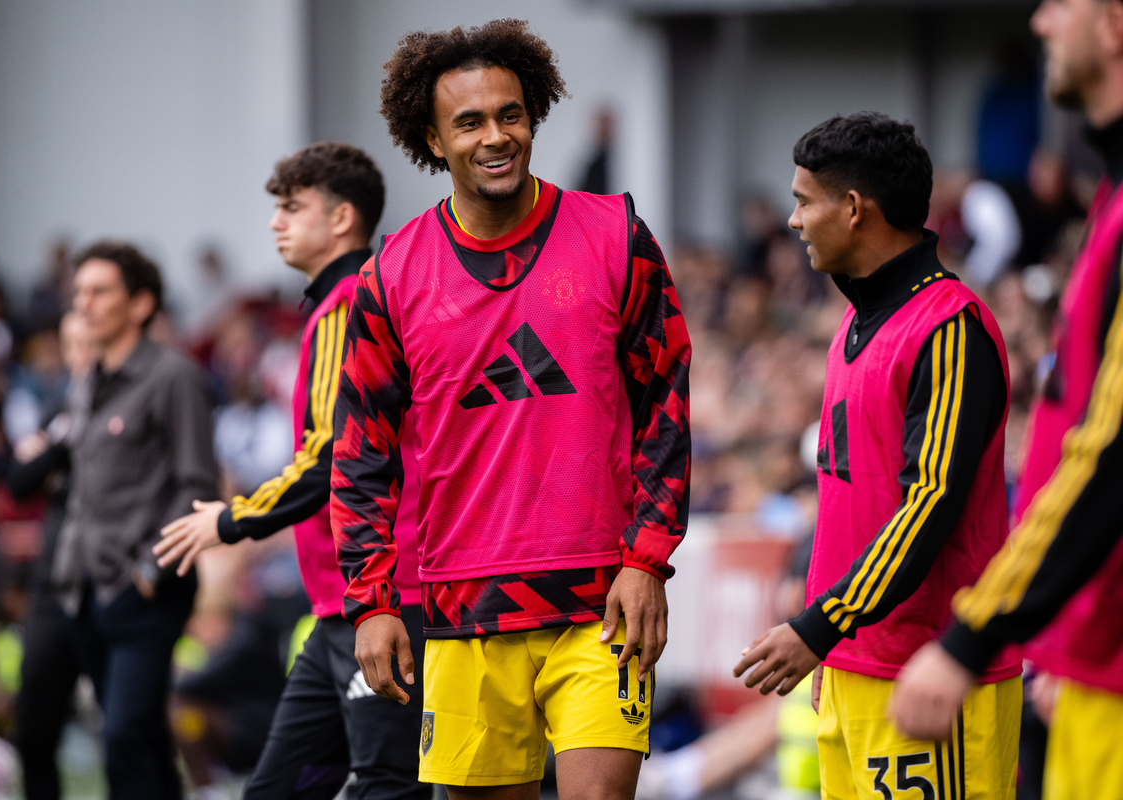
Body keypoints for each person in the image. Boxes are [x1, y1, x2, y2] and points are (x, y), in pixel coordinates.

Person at [329, 19, 692, 800]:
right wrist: (371, 603)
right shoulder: (390, 276)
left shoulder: (616, 238)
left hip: (601, 602)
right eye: (470, 122)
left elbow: (665, 403)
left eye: (511, 114)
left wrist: (646, 560)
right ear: (433, 138)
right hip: (463, 611)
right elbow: (361, 452)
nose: (496, 136)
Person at [732, 113, 1021, 799]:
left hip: (928, 677)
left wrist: (821, 626)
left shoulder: (948, 326)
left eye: (804, 201)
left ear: (855, 209)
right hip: (854, 668)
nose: (794, 221)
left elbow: (929, 504)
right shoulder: (856, 322)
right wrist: (833, 646)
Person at [893, 2, 1123, 798]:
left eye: (1061, 4)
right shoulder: (1108, 201)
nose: (1041, 22)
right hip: (1089, 657)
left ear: (1116, 24)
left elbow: (1109, 453)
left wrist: (976, 634)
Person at [154, 141, 430, 800]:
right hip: (342, 607)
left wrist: (233, 518)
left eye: (292, 208)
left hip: (387, 601)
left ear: (341, 218)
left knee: (388, 786)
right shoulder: (342, 304)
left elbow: (331, 452)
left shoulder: (348, 305)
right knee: (280, 790)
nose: (276, 222)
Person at [52, 242, 218, 799]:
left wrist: (149, 569)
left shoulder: (174, 375)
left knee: (123, 734)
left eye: (100, 291)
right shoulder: (88, 379)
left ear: (141, 303)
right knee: (137, 739)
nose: (84, 303)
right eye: (79, 292)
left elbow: (197, 484)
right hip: (87, 589)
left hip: (145, 588)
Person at [10, 311, 97, 800]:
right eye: (71, 347)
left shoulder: (137, 403)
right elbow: (20, 481)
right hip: (55, 581)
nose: (79, 357)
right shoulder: (60, 412)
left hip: (111, 579)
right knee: (34, 723)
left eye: (88, 344)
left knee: (127, 731)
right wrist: (62, 438)